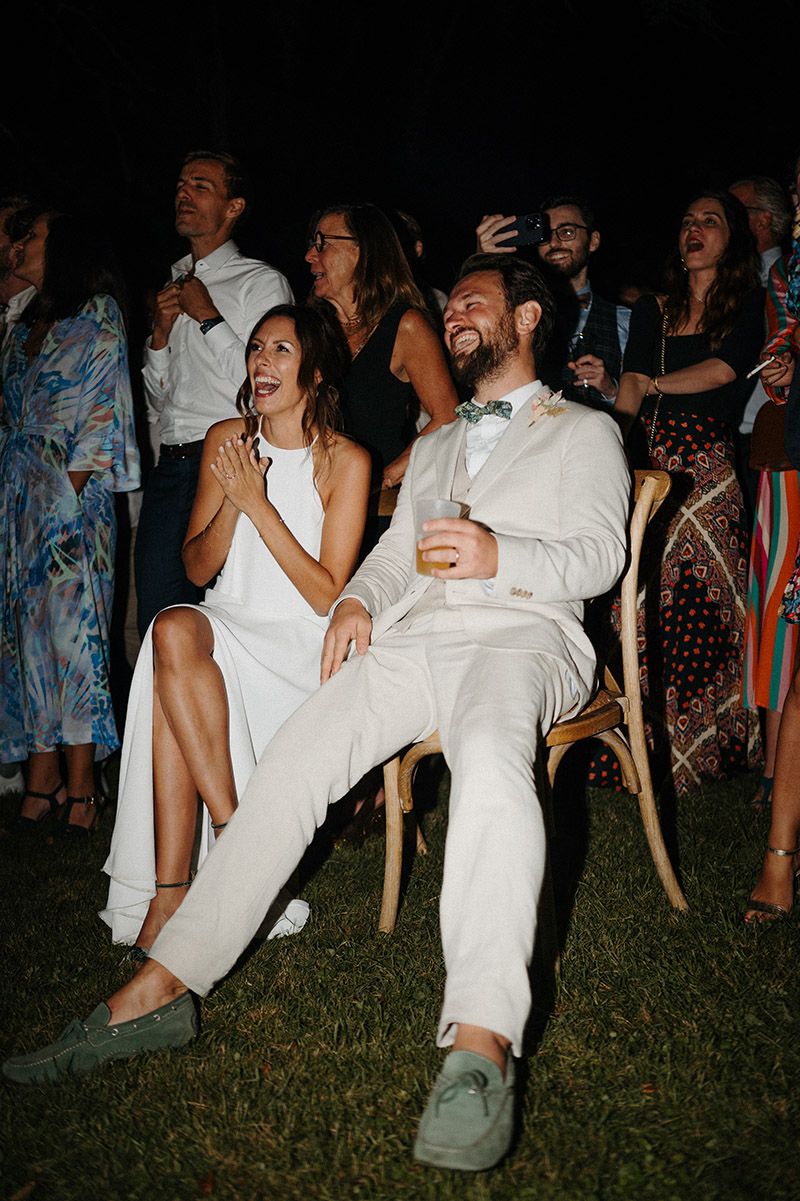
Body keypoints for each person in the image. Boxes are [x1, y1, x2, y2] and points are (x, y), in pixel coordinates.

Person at [2, 254, 632, 1176]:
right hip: (418, 640)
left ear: (528, 317)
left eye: (471, 302)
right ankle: (161, 987)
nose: (450, 314)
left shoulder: (584, 432)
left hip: (525, 635)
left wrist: (502, 552)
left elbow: (598, 555)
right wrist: (356, 603)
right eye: (448, 301)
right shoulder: (447, 443)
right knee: (294, 761)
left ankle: (481, 1042)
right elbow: (389, 555)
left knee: (494, 761)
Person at [102, 304, 371, 957]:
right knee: (171, 629)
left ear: (314, 368)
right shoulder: (227, 436)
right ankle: (230, 849)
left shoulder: (347, 461)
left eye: (280, 349)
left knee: (172, 674)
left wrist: (258, 502)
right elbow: (197, 564)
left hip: (297, 641)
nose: (260, 361)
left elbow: (324, 592)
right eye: (256, 348)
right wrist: (232, 498)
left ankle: (178, 892)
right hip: (228, 614)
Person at [608, 190, 764, 799]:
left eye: (710, 221)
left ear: (733, 238)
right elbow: (629, 380)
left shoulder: (750, 304)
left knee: (708, 601)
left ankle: (709, 748)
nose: (694, 230)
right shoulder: (654, 308)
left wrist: (652, 386)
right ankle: (642, 750)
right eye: (687, 221)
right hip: (655, 458)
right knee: (644, 601)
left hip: (711, 467)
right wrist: (615, 440)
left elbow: (726, 370)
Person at [0, 211, 140, 836]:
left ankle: (82, 789)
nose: (18, 244)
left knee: (74, 638)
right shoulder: (25, 323)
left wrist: (64, 496)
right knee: (26, 638)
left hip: (69, 498)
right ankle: (42, 776)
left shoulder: (98, 313)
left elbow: (101, 409)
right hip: (16, 495)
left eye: (31, 236)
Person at [135, 151, 293, 638]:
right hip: (171, 465)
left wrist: (207, 318)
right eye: (181, 183)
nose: (184, 193)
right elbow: (160, 402)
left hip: (229, 463)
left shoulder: (260, 282)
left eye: (201, 185)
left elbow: (269, 385)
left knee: (220, 626)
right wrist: (158, 337)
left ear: (233, 206)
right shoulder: (174, 281)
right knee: (157, 622)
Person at [304, 203, 458, 505]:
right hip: (312, 495)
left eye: (322, 244)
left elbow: (448, 415)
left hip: (372, 506)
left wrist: (387, 477)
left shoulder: (405, 325)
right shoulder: (311, 325)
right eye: (312, 244)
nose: (310, 256)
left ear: (364, 251)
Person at [476, 195, 630, 408]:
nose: (554, 243)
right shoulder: (518, 313)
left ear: (593, 241)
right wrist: (482, 262)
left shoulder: (625, 319)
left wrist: (611, 390)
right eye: (544, 235)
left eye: (567, 232)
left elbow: (645, 396)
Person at [728, 176, 790, 517]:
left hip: (768, 436)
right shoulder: (733, 282)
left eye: (734, 213)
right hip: (729, 436)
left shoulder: (788, 281)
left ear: (763, 219)